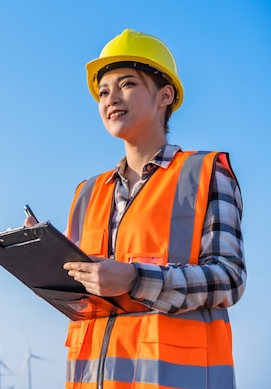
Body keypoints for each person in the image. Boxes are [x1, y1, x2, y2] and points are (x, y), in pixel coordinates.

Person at [25, 29, 246, 389]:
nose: (111, 97)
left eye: (126, 83)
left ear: (165, 95)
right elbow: (81, 297)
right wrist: (44, 256)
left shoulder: (205, 173)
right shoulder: (87, 193)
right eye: (103, 91)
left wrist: (135, 279)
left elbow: (228, 279)